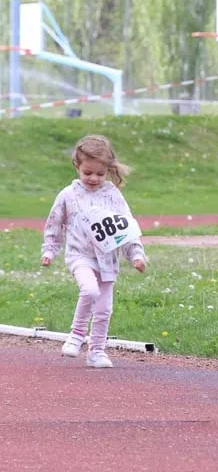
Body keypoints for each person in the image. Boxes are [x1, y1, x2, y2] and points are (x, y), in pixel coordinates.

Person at [41, 135, 147, 368]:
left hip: (107, 260)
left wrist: (136, 255)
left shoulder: (113, 195)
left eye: (100, 174)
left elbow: (125, 227)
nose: (93, 178)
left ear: (108, 171)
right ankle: (77, 334)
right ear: (77, 166)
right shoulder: (68, 195)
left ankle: (97, 351)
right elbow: (54, 223)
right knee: (89, 289)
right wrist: (49, 250)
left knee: (104, 309)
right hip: (79, 255)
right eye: (87, 172)